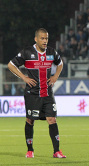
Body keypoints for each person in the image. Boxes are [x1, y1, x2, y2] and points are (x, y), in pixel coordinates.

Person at [7, 28, 66, 158]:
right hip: (32, 93)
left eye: (46, 38)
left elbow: (60, 63)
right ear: (36, 39)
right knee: (30, 120)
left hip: (47, 93)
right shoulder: (27, 52)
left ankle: (56, 151)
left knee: (52, 119)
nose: (45, 41)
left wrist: (56, 76)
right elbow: (11, 65)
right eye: (42, 38)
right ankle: (30, 150)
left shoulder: (51, 52)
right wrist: (24, 78)